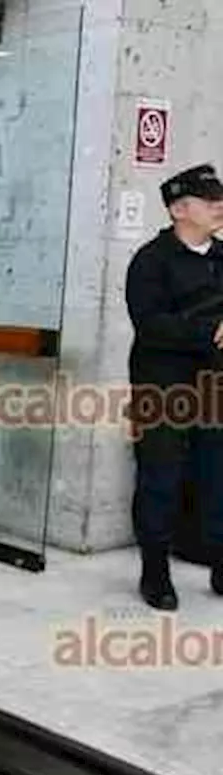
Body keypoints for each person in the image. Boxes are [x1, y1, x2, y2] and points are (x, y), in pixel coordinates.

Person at [126, 163, 223, 610]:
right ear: (180, 209)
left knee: (215, 477)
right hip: (163, 388)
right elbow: (151, 325)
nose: (219, 206)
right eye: (210, 201)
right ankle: (155, 572)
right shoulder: (151, 261)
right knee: (160, 478)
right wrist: (207, 333)